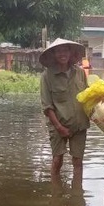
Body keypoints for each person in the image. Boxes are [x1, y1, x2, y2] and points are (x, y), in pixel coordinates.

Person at [39, 38, 90, 189]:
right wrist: (59, 127)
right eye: (58, 51)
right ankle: (56, 195)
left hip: (79, 124)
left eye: (65, 50)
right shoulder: (47, 76)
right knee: (57, 160)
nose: (62, 54)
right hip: (57, 125)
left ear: (71, 52)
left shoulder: (80, 72)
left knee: (78, 162)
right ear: (54, 54)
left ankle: (77, 196)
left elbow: (88, 96)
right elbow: (47, 107)